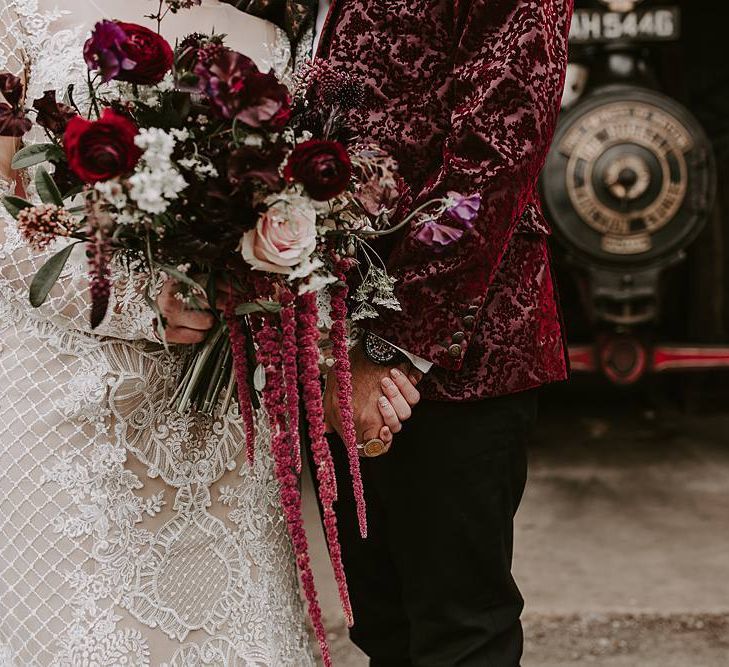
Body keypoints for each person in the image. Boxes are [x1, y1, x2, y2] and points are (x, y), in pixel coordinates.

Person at [0, 1, 421, 663]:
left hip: (218, 424)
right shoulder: (22, 17)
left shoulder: (271, 43)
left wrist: (301, 328)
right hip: (69, 414)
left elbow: (297, 234)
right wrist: (138, 298)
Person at [306, 1, 574, 665]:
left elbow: (495, 155)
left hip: (461, 359)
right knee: (382, 626)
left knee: (458, 631)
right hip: (324, 344)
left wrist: (381, 350)